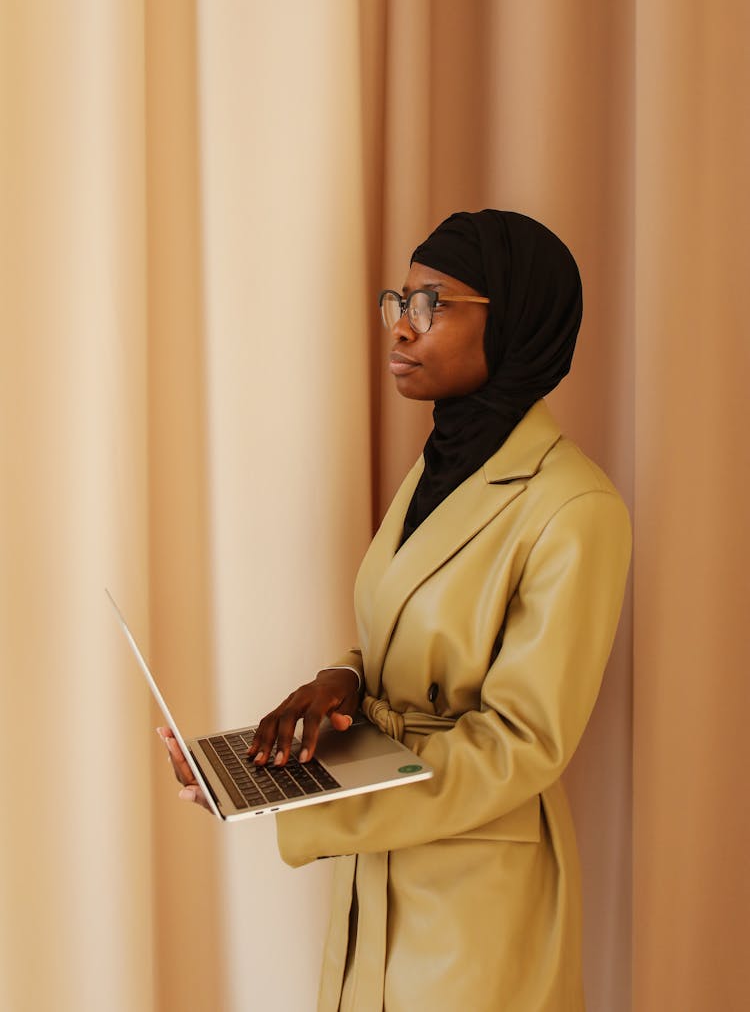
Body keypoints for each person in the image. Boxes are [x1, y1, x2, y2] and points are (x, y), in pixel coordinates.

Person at [160, 209, 631, 1011]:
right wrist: (339, 680)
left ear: (511, 317)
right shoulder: (438, 467)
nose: (401, 329)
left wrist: (296, 797)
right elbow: (400, 636)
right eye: (399, 300)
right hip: (377, 884)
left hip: (476, 901)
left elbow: (522, 744)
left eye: (433, 304)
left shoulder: (575, 507)